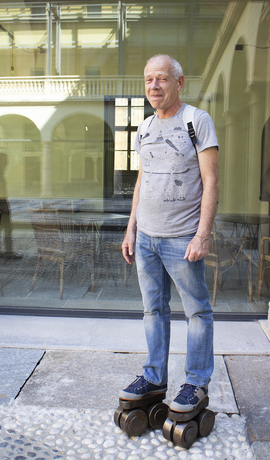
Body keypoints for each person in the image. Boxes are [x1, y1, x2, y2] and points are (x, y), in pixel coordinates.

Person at [120, 54, 219, 413]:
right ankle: (154, 377)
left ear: (179, 82)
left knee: (197, 312)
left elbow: (211, 181)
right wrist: (131, 229)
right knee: (153, 311)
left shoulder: (197, 120)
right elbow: (141, 182)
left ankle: (196, 382)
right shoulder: (144, 127)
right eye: (148, 80)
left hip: (182, 238)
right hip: (146, 237)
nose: (153, 86)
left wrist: (202, 234)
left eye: (161, 79)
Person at [0, 152, 21, 259]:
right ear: (0, 161)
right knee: (7, 226)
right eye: (5, 160)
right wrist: (5, 206)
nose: (7, 162)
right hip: (0, 203)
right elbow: (0, 190)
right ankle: (9, 251)